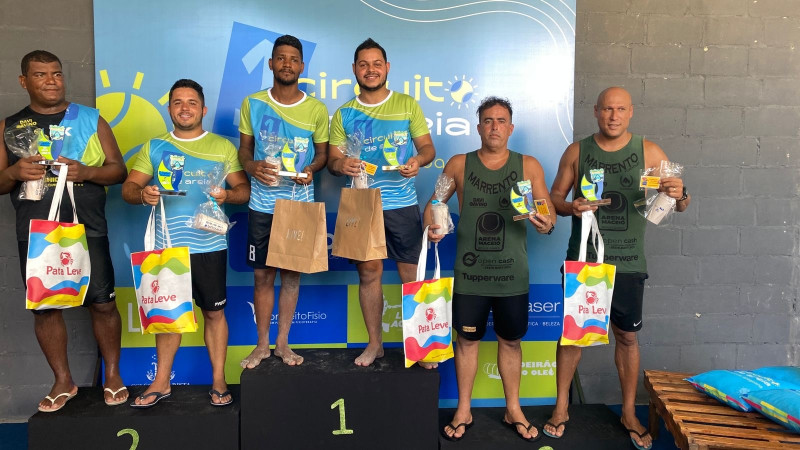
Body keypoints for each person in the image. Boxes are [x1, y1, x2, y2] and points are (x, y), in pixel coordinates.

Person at [544, 87, 690, 450]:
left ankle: (627, 412)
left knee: (626, 337)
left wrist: (681, 193)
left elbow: (678, 204)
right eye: (607, 109)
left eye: (620, 109)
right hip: (584, 259)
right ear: (596, 111)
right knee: (573, 336)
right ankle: (561, 408)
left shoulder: (649, 151)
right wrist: (572, 206)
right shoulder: (577, 151)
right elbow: (554, 199)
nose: (613, 116)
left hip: (628, 261)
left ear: (631, 112)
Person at [0, 50, 128, 412]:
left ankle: (112, 375)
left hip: (88, 227)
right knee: (45, 308)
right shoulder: (9, 126)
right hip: (36, 231)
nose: (51, 81)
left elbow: (118, 171)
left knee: (103, 302)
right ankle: (63, 380)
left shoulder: (90, 119)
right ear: (24, 81)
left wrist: (86, 172)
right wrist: (13, 173)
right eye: (40, 75)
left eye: (56, 73)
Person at [425, 96, 555, 441]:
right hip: (471, 274)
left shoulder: (528, 165)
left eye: (501, 121)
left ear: (511, 128)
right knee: (467, 341)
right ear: (478, 127)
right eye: (487, 120)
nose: (494, 126)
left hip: (512, 274)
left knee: (510, 342)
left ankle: (513, 408)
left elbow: (548, 211)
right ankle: (463, 409)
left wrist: (546, 223)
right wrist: (432, 225)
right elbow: (435, 202)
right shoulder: (458, 164)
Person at [122, 79, 249, 407]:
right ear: (169, 109)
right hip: (167, 246)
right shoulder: (155, 147)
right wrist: (143, 194)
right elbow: (128, 189)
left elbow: (243, 191)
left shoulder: (222, 147)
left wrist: (227, 195)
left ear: (203, 109)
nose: (185, 108)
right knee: (168, 315)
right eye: (178, 102)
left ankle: (218, 379)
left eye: (192, 102)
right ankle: (161, 381)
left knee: (214, 314)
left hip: (209, 245)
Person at [328, 38, 436, 367]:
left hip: (401, 203)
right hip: (362, 204)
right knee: (369, 274)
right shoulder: (344, 113)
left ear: (387, 68)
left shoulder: (407, 105)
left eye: (377, 64)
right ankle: (375, 345)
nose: (370, 70)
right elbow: (332, 160)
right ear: (354, 70)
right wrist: (341, 165)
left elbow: (428, 149)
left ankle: (421, 347)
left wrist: (418, 161)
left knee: (411, 276)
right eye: (364, 65)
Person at [237, 35, 329, 369]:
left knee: (291, 276)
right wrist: (252, 167)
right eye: (281, 58)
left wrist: (312, 169)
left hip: (298, 202)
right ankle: (262, 345)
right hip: (262, 205)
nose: (287, 64)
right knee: (262, 277)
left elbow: (323, 155)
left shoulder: (316, 109)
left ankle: (283, 344)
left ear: (301, 66)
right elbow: (244, 150)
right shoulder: (253, 103)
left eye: (293, 59)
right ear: (271, 63)